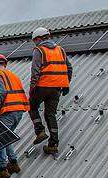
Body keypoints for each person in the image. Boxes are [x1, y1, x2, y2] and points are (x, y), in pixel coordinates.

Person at [29, 26, 72, 155]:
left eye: (35, 40)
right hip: (57, 88)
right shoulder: (60, 50)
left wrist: (32, 88)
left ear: (38, 38)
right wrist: (66, 83)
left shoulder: (39, 50)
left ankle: (40, 131)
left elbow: (35, 71)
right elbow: (69, 68)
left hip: (42, 86)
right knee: (50, 114)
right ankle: (53, 144)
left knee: (31, 106)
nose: (35, 43)